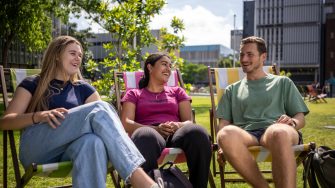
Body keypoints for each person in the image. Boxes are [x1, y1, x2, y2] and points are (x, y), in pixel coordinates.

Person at [0, 36, 162, 188]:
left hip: (67, 152)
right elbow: (6, 121)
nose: (78, 58)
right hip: (36, 149)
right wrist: (38, 116)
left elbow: (105, 123)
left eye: (80, 55)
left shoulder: (84, 89)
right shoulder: (33, 82)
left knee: (92, 142)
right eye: (72, 53)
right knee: (100, 107)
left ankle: (137, 176)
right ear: (56, 55)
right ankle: (140, 178)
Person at [216, 36, 309, 188]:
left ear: (263, 56)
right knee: (225, 134)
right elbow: (224, 124)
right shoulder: (231, 90)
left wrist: (292, 122)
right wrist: (221, 146)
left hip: (278, 130)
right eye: (241, 54)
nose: (244, 59)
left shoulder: (282, 82)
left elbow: (300, 117)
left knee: (278, 132)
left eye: (250, 54)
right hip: (247, 135)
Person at [121, 52, 212, 188]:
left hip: (176, 133)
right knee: (145, 135)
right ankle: (152, 184)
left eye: (170, 66)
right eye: (164, 64)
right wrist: (156, 129)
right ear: (150, 68)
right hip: (150, 133)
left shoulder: (177, 91)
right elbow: (126, 123)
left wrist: (177, 125)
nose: (168, 69)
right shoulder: (134, 94)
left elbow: (189, 121)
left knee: (197, 132)